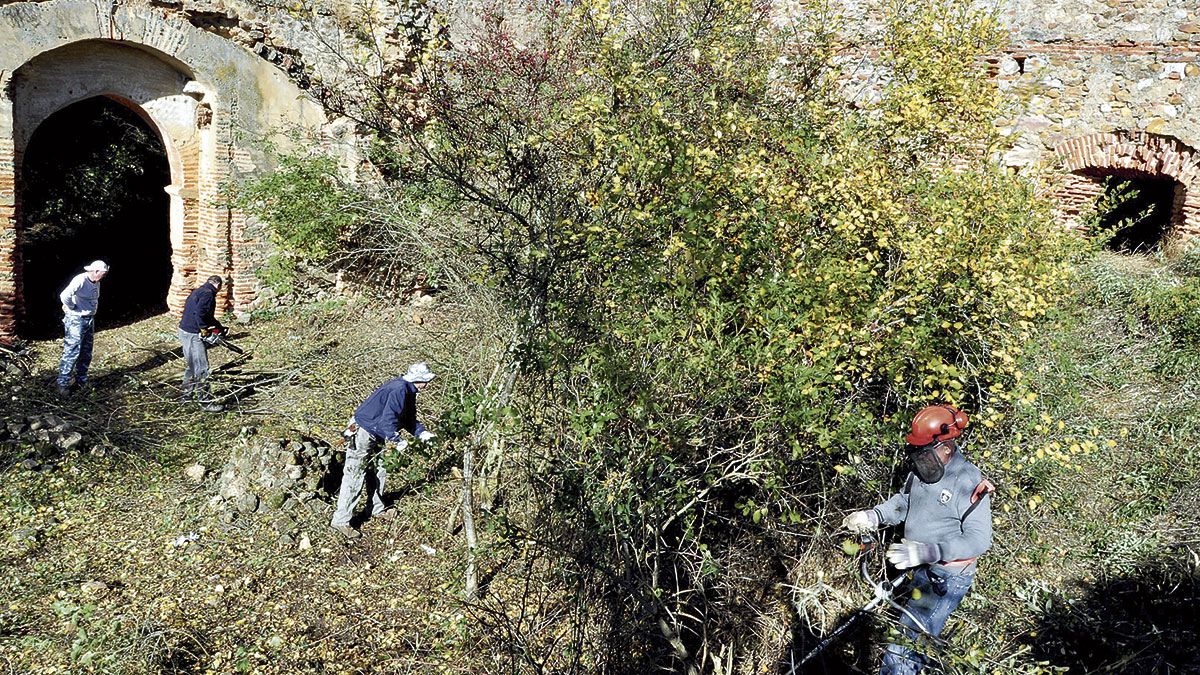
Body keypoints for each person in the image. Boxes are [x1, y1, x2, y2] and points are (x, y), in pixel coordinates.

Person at [842, 404, 993, 675]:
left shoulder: (969, 481)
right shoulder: (924, 470)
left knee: (904, 647)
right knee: (906, 638)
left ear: (946, 448)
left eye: (925, 454)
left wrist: (929, 552)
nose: (920, 460)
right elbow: (905, 501)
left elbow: (979, 540)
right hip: (922, 570)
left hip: (946, 578)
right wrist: (874, 516)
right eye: (917, 453)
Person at [331, 363, 438, 539]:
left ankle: (376, 508)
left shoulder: (407, 390)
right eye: (426, 380)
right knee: (355, 474)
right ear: (420, 379)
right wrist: (397, 440)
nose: (428, 384)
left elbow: (406, 418)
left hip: (376, 431)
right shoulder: (399, 389)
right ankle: (341, 521)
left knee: (379, 469)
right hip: (364, 430)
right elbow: (388, 419)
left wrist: (422, 433)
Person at [56, 260, 109, 395]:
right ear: (95, 271)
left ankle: (81, 380)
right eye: (103, 274)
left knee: (86, 351)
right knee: (72, 350)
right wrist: (71, 307)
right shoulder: (80, 280)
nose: (104, 276)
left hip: (89, 319)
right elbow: (64, 295)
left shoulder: (96, 282)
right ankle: (63, 383)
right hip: (76, 319)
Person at [179, 275, 226, 412]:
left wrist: (218, 326)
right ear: (218, 285)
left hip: (184, 331)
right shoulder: (208, 294)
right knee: (202, 368)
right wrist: (204, 329)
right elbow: (200, 313)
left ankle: (185, 396)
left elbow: (206, 315)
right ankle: (206, 402)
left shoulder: (198, 291)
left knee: (192, 365)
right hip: (193, 335)